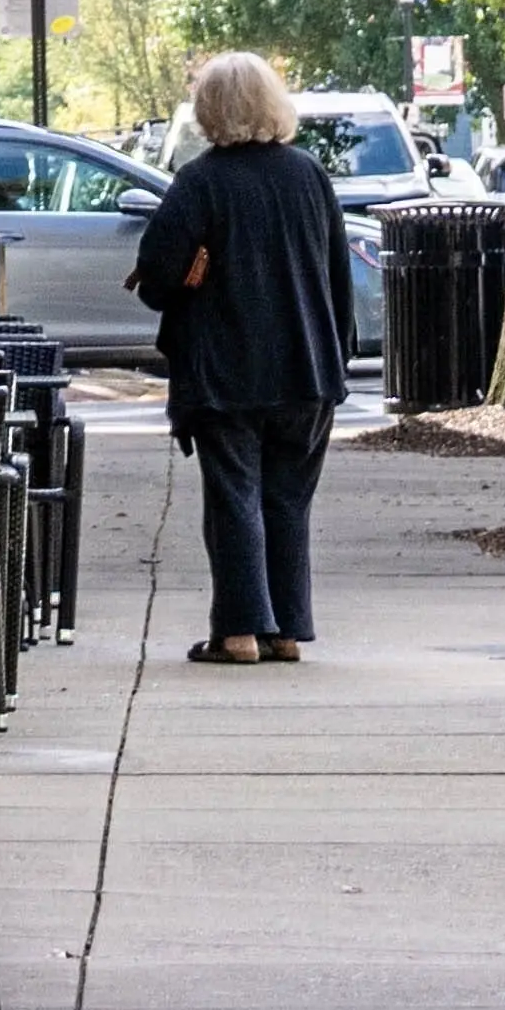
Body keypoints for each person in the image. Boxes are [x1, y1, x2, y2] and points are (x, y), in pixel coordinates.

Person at [132, 51, 355, 665]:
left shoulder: (200, 181)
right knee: (288, 501)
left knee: (234, 498)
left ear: (210, 110)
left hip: (225, 372)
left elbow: (156, 275)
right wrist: (335, 359)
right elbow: (337, 275)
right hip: (307, 368)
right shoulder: (309, 175)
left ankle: (237, 633)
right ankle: (286, 629)